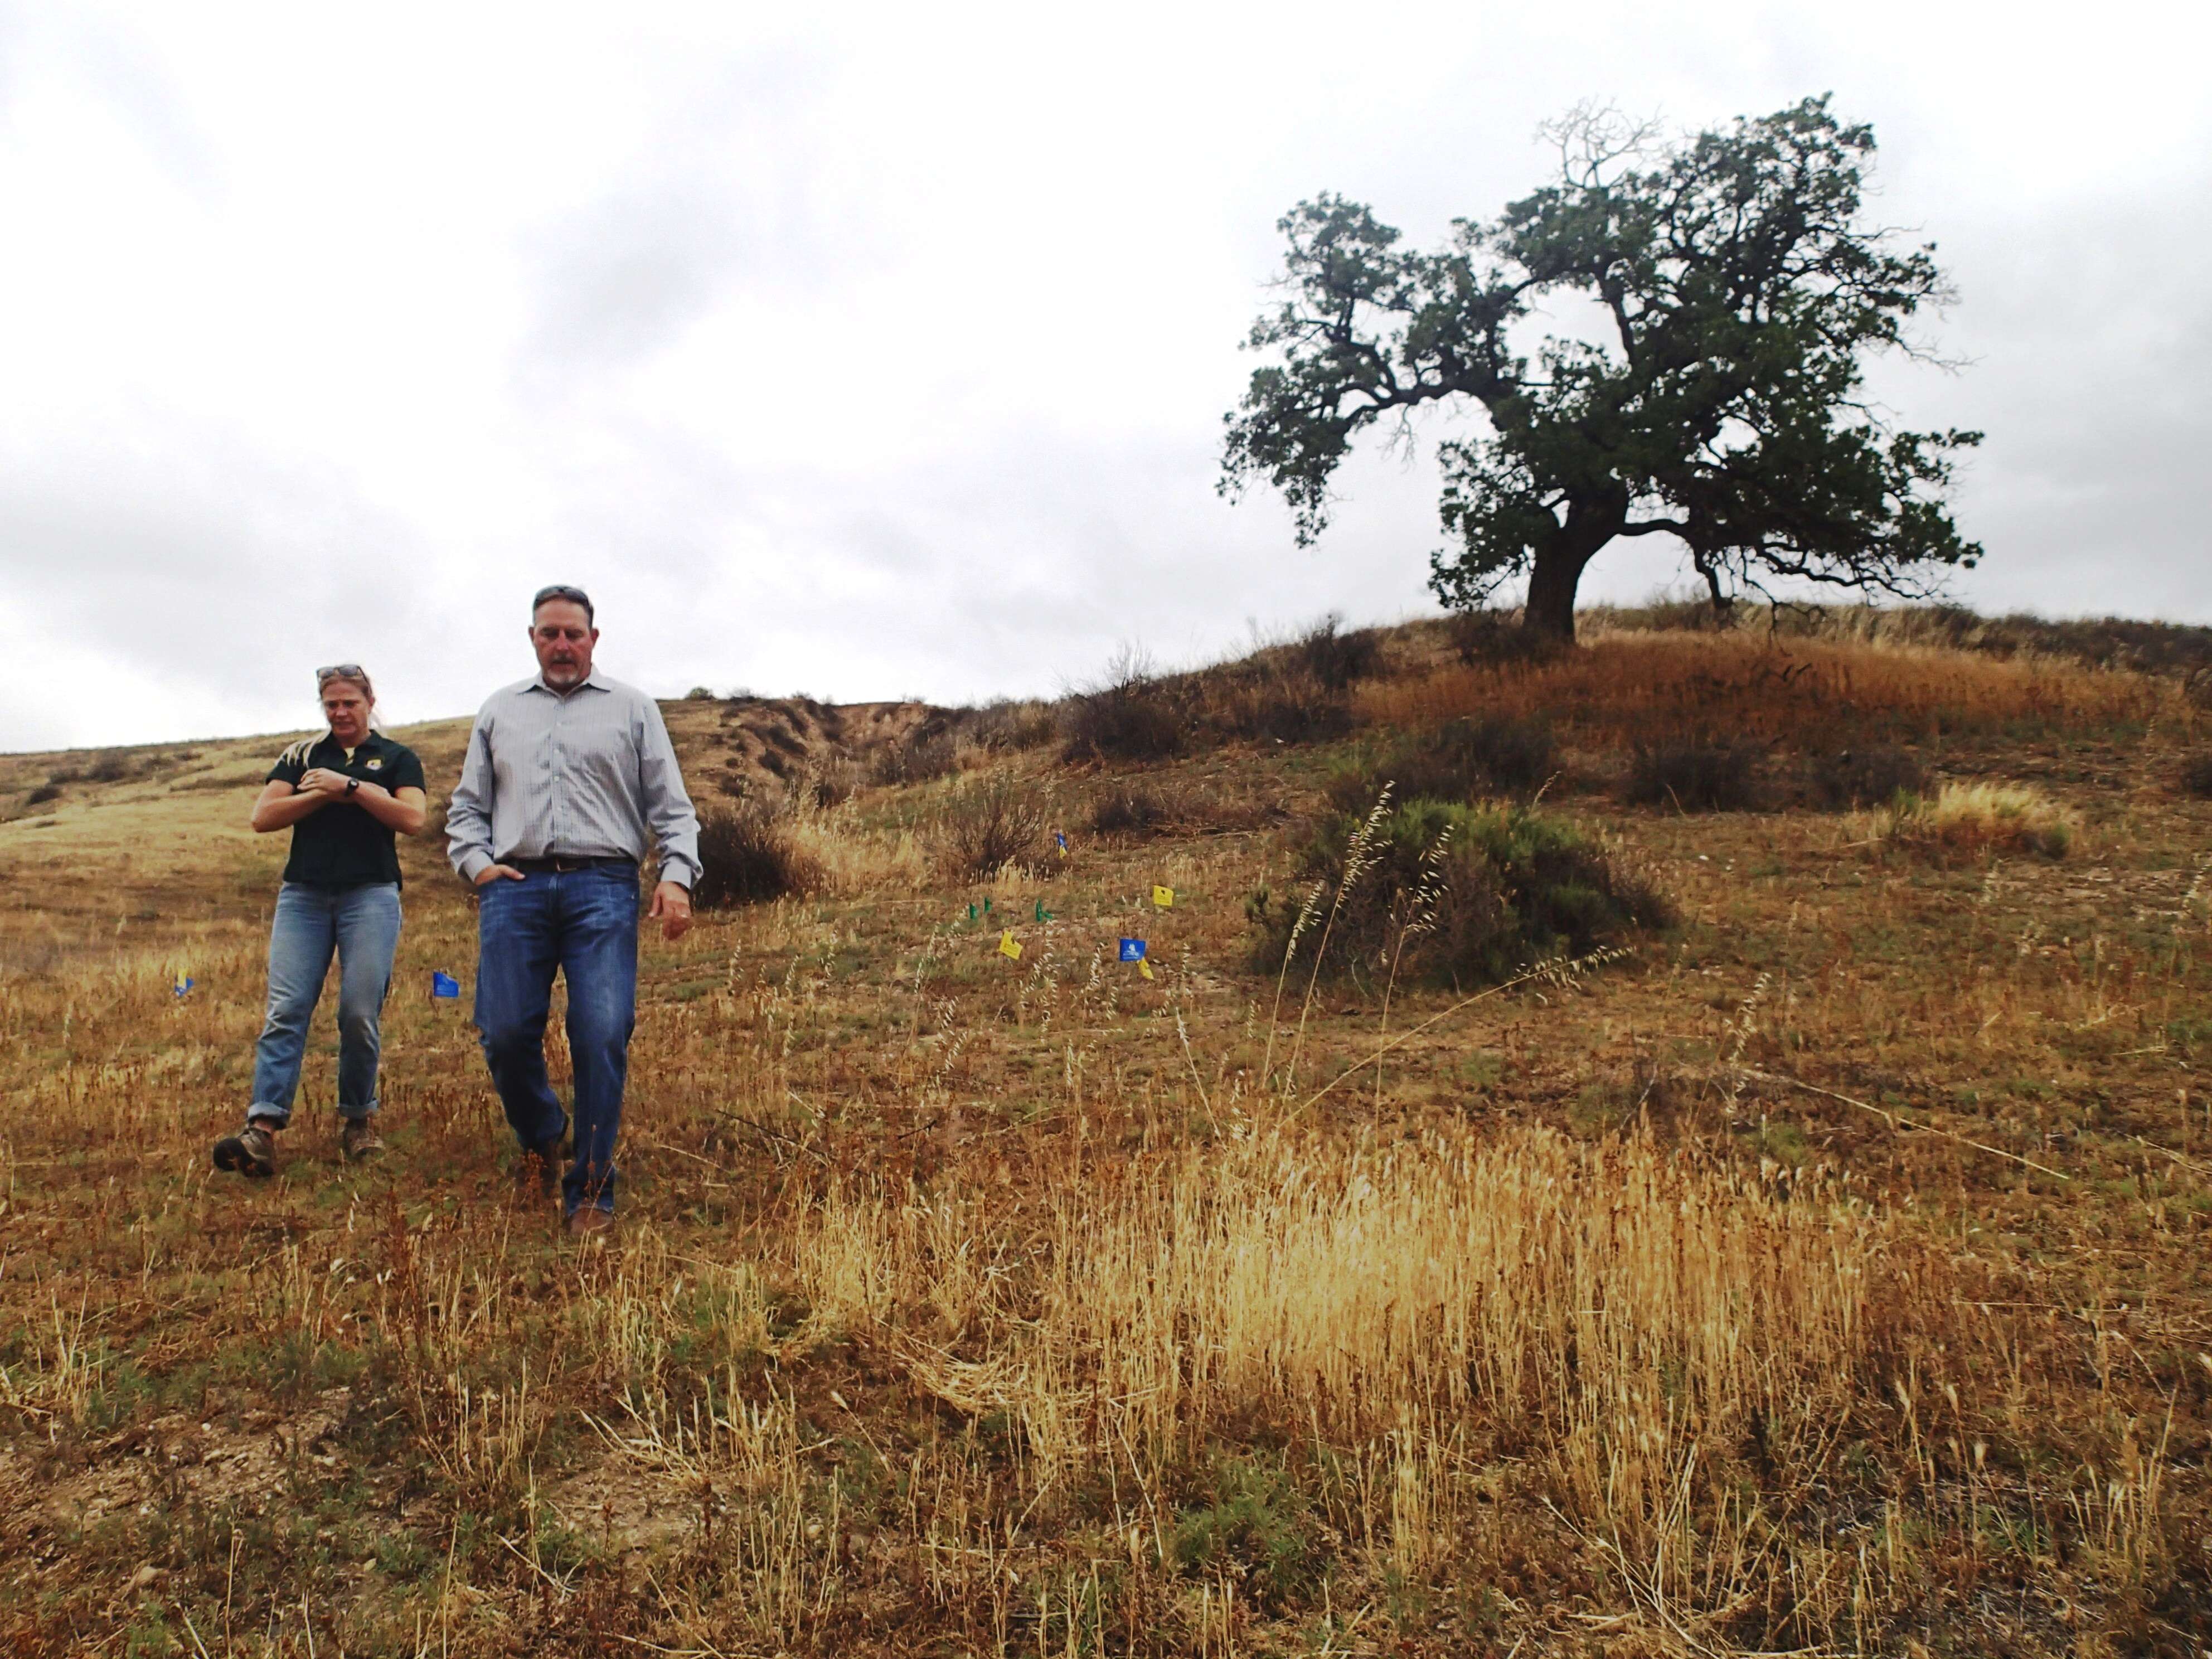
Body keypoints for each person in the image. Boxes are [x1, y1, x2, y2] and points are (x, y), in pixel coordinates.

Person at [446, 584, 700, 1237]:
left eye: (573, 634)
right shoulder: (499, 711)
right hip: (514, 887)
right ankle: (542, 1134)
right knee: (503, 1032)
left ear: (593, 638)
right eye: (549, 633)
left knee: (600, 1031)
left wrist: (675, 878)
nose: (561, 645)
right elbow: (467, 807)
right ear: (532, 637)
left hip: (603, 887)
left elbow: (671, 808)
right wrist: (478, 866)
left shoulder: (633, 709)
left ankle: (590, 1188)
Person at [214, 665, 428, 1178]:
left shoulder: (398, 758)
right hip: (304, 898)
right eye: (330, 704)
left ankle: (358, 1120)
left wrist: (350, 786)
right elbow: (263, 817)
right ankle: (262, 1129)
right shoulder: (302, 756)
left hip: (371, 896)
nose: (340, 713)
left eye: (349, 703)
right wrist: (320, 793)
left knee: (358, 1012)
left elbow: (413, 819)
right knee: (287, 1008)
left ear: (369, 700)